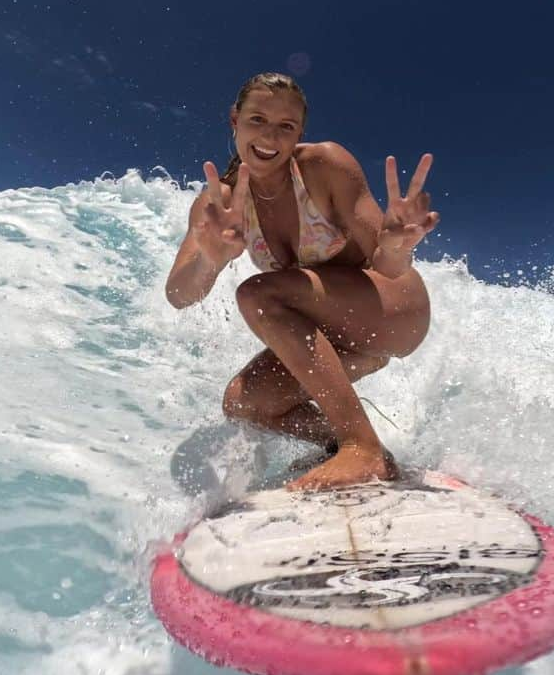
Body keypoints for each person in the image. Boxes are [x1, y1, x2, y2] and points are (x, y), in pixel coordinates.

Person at [165, 72, 439, 491]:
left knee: (257, 294)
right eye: (257, 120)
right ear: (234, 120)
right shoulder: (217, 202)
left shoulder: (324, 166)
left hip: (394, 310)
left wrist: (399, 243)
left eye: (285, 127)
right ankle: (351, 445)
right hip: (335, 341)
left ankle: (360, 449)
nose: (269, 136)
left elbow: (386, 266)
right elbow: (180, 295)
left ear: (299, 134)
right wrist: (209, 258)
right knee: (243, 403)